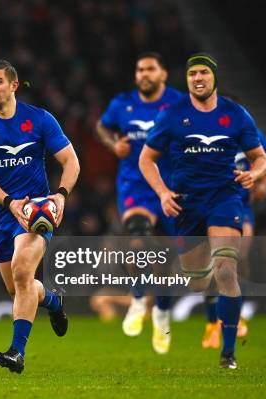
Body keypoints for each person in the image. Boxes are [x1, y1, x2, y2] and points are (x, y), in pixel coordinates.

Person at [139, 53, 266, 369]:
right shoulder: (172, 115)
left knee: (226, 268)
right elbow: (146, 159)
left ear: (213, 77)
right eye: (193, 74)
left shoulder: (235, 114)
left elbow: (261, 156)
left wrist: (255, 173)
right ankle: (205, 280)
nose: (198, 78)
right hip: (187, 203)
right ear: (187, 80)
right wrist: (162, 192)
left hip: (225, 198)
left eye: (203, 73)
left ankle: (228, 353)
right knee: (197, 280)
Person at [0, 60, 79, 373]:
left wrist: (61, 196)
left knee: (22, 267)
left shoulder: (39, 120)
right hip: (2, 212)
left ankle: (17, 351)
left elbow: (71, 161)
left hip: (36, 213)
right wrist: (11, 202)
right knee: (18, 288)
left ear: (14, 85)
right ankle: (52, 301)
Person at [96, 52, 184, 354]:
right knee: (138, 239)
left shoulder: (178, 103)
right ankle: (136, 299)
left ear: (163, 74)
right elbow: (101, 127)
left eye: (150, 69)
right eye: (140, 69)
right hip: (135, 186)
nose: (144, 74)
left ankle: (160, 314)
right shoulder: (122, 104)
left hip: (173, 187)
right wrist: (113, 144)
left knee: (167, 263)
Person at [202, 127, 266, 348]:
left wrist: (264, 182)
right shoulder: (204, 136)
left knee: (237, 258)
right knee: (212, 264)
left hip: (241, 205)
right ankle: (212, 324)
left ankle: (235, 315)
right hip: (211, 206)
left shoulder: (247, 131)